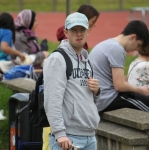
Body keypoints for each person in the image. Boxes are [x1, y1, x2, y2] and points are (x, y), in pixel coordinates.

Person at [43, 12, 100, 150]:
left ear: (88, 31)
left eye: (82, 30)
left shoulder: (87, 60)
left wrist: (96, 91)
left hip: (90, 136)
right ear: (66, 32)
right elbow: (52, 99)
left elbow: (90, 100)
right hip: (68, 138)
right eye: (74, 30)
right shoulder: (57, 59)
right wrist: (60, 133)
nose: (79, 34)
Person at [89, 20, 149, 112]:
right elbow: (120, 86)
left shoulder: (107, 43)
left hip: (98, 98)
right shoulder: (117, 49)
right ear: (133, 37)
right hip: (106, 99)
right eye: (138, 45)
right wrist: (141, 90)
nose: (136, 49)